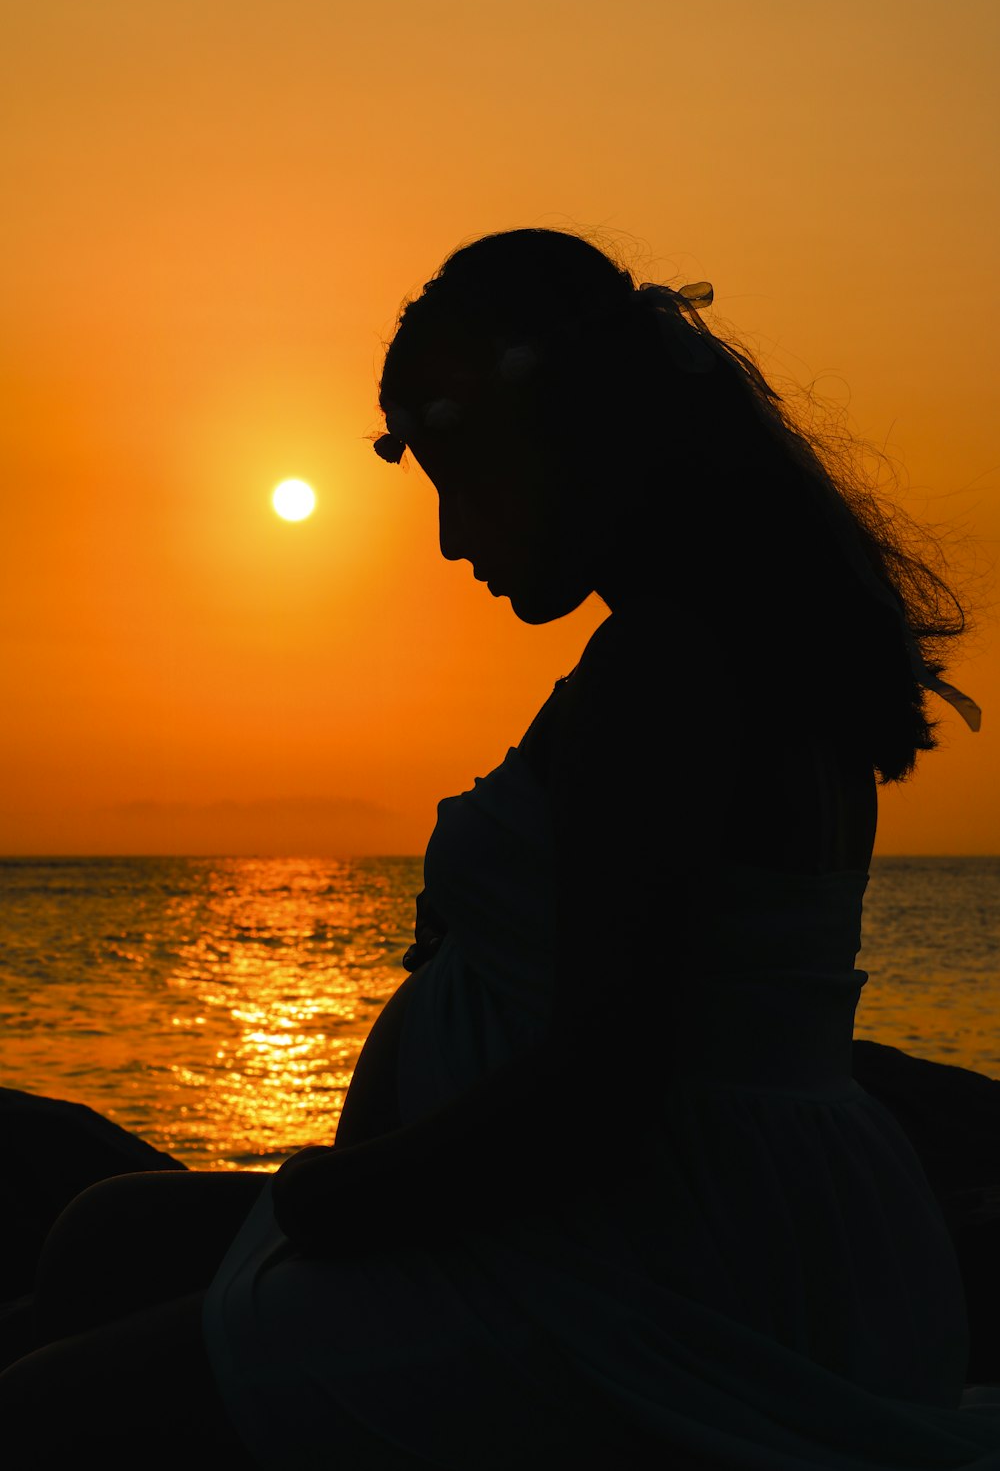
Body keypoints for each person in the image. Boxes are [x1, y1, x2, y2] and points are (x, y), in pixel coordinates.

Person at [1, 225, 998, 1469]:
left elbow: (600, 1092)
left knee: (43, 1409)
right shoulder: (704, 647)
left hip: (656, 1256)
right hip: (705, 1213)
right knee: (102, 1237)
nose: (447, 538)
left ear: (568, 438)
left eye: (457, 479)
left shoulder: (668, 677)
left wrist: (331, 1193)